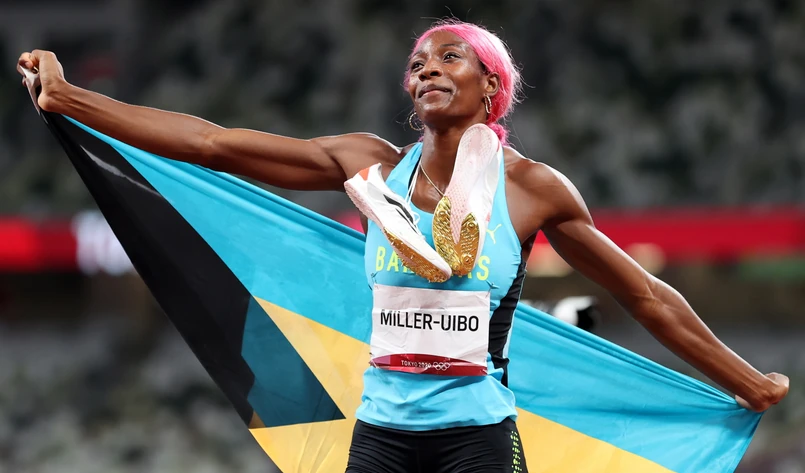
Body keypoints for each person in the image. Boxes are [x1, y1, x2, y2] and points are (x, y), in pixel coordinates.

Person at [17, 19, 789, 473]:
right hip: (381, 433)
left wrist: (745, 380)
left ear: (491, 87)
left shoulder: (532, 190)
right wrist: (71, 97)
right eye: (418, 63)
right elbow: (212, 143)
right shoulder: (367, 165)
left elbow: (644, 294)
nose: (426, 69)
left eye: (449, 57)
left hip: (478, 436)